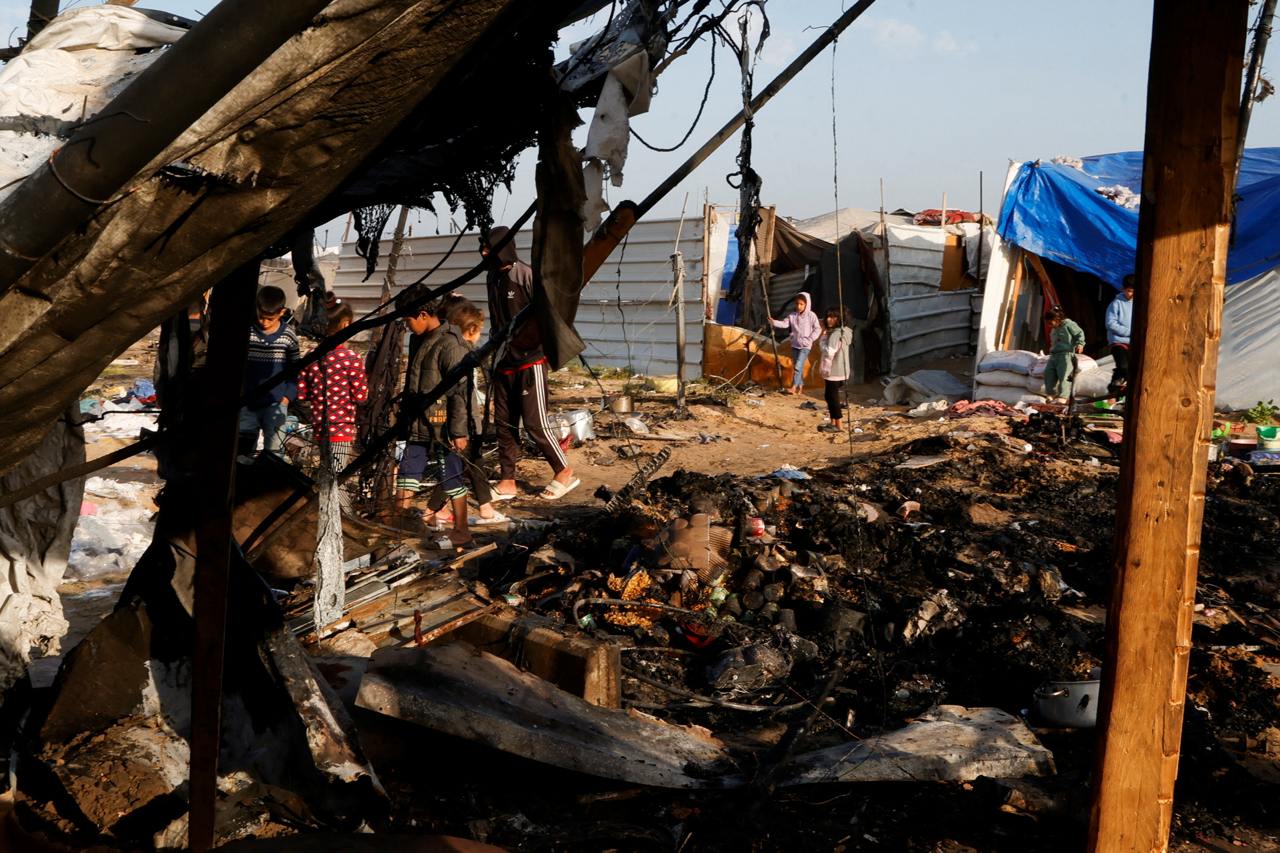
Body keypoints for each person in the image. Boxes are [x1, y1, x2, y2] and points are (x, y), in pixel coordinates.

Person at [482, 226, 578, 501]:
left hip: (530, 360)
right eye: (483, 247)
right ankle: (507, 480)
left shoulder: (525, 275)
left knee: (535, 423)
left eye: (488, 247)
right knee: (504, 424)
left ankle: (563, 471)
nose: (484, 253)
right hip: (504, 360)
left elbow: (549, 313)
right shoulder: (492, 278)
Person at [418, 300, 508, 545]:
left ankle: (483, 507)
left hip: (464, 422)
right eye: (480, 330)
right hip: (461, 424)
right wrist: (460, 429)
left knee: (471, 461)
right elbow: (460, 395)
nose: (480, 336)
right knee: (456, 466)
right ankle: (433, 511)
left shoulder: (455, 349)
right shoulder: (460, 353)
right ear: (471, 329)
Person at [297, 303, 368, 477]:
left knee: (325, 473)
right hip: (342, 428)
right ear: (345, 324)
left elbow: (302, 393)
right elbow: (361, 396)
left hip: (319, 426)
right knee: (337, 477)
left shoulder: (311, 356)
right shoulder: (351, 359)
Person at [396, 297, 444, 522]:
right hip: (416, 414)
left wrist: (459, 427)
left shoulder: (448, 343)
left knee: (449, 464)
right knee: (411, 460)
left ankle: (437, 514)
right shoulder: (416, 340)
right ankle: (401, 513)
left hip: (441, 415)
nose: (407, 327)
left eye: (408, 321)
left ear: (423, 315)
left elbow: (459, 391)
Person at [239, 285, 299, 460]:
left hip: (276, 403)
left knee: (274, 453)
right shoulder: (248, 332)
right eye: (261, 317)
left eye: (269, 319)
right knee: (242, 449)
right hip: (247, 402)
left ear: (282, 312)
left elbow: (295, 369)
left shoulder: (288, 336)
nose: (264, 322)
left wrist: (287, 397)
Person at [768, 291, 822, 395]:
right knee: (798, 366)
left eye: (801, 304)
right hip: (795, 345)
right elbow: (784, 324)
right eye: (797, 304)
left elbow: (817, 329)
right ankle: (800, 386)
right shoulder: (792, 315)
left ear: (806, 304)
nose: (799, 306)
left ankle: (793, 387)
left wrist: (810, 339)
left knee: (798, 365)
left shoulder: (811, 315)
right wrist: (774, 322)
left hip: (805, 346)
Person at [817, 307, 853, 433]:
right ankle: (833, 422)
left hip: (833, 371)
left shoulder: (835, 334)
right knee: (830, 396)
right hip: (843, 370)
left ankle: (838, 425)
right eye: (828, 317)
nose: (829, 319)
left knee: (832, 398)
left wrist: (822, 340)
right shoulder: (845, 331)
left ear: (839, 318)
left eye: (833, 317)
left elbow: (829, 352)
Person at [1044, 306, 1086, 403]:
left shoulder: (1068, 324)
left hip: (1066, 355)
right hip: (1054, 355)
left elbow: (1079, 333)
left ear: (1057, 319)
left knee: (1064, 375)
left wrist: (1080, 344)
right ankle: (1051, 394)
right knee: (1049, 373)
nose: (1049, 325)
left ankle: (1063, 396)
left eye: (1050, 322)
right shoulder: (1054, 329)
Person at [1105, 276, 1135, 396]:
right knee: (1123, 366)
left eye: (1134, 291)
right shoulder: (1116, 303)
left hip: (1133, 342)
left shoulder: (1139, 304)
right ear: (1123, 289)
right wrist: (1129, 332)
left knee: (1129, 369)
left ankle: (1114, 389)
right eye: (1129, 291)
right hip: (1118, 341)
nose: (1131, 294)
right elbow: (1110, 323)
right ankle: (1118, 390)